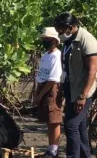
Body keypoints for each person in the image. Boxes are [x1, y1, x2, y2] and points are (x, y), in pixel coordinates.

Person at [54, 12, 97, 158]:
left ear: (70, 27)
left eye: (61, 29)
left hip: (84, 91)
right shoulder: (68, 42)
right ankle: (85, 155)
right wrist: (61, 90)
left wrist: (83, 96)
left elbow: (92, 71)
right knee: (79, 126)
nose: (59, 32)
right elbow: (66, 68)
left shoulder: (86, 40)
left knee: (71, 125)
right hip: (71, 88)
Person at [33, 27, 62, 158]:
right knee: (48, 120)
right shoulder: (45, 55)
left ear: (55, 41)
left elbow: (53, 79)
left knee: (54, 119)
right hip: (43, 86)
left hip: (51, 89)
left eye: (47, 39)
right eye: (44, 39)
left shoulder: (57, 55)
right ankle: (50, 148)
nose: (45, 42)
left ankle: (54, 150)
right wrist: (37, 92)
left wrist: (40, 95)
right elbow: (42, 75)